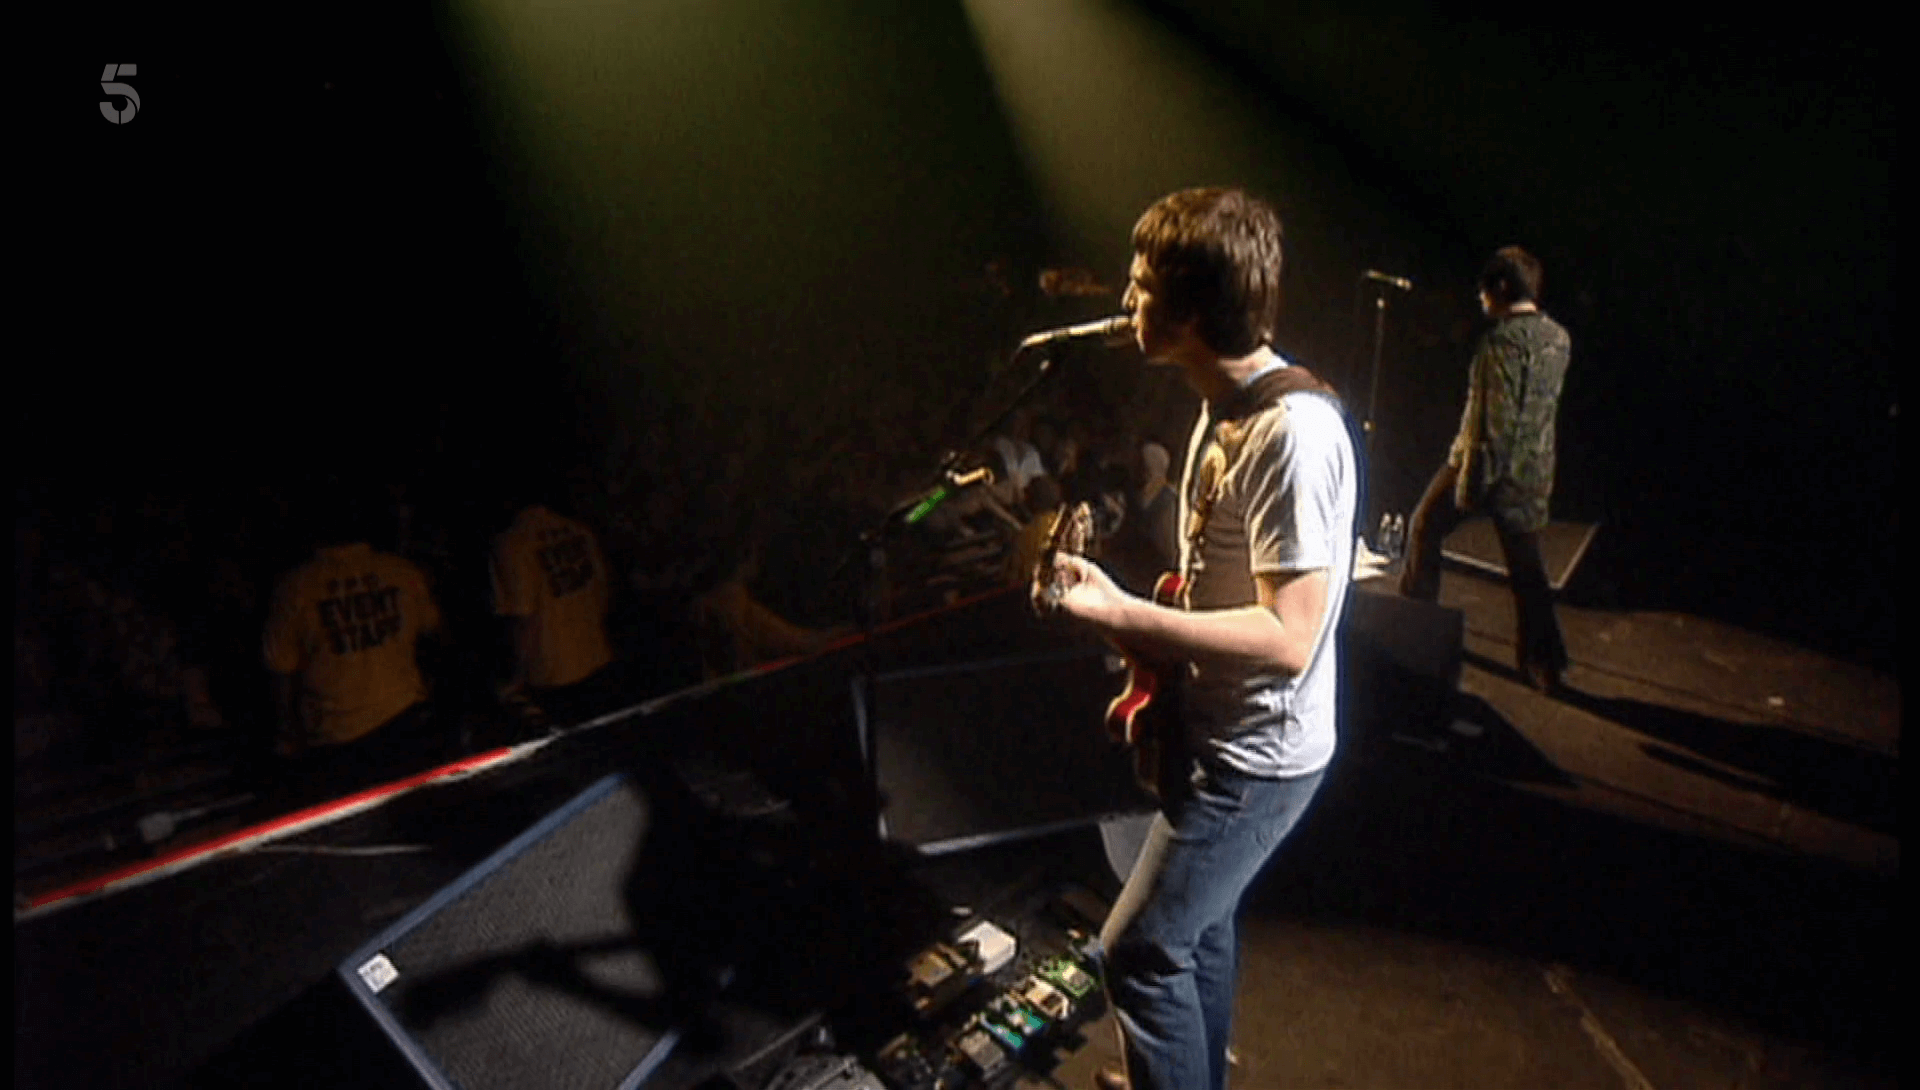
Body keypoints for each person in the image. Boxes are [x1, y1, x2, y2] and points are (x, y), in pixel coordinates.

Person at [1044, 187, 1357, 1090]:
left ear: (1189, 309)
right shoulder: (1218, 409)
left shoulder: (1291, 433)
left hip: (1259, 758)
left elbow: (1290, 634)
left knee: (1138, 955)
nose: (1126, 303)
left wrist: (1117, 614)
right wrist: (1146, 645)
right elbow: (1213, 589)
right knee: (1200, 931)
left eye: (1142, 287)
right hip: (1220, 733)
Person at [1399, 245, 1571, 692]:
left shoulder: (1498, 343)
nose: (1479, 298)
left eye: (1484, 289)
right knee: (1528, 574)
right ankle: (1545, 665)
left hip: (1480, 466)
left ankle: (1412, 633)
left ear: (1499, 288)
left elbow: (1489, 425)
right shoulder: (1559, 339)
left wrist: (1471, 489)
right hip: (1530, 474)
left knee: (1423, 526)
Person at [261, 488, 448, 802]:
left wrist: (287, 735)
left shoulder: (294, 588)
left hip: (338, 738)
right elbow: (435, 633)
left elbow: (281, 671)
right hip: (405, 721)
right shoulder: (400, 572)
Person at [489, 479, 619, 732]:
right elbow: (604, 590)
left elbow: (521, 618)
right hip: (599, 657)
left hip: (553, 675)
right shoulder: (578, 531)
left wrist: (515, 680)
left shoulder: (511, 545)